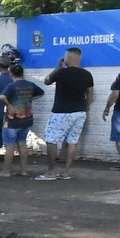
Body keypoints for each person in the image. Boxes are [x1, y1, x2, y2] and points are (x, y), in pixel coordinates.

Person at [37, 47, 93, 180]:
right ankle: (66, 172)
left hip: (61, 112)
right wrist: (86, 107)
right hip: (79, 111)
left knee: (51, 140)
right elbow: (90, 93)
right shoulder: (87, 74)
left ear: (67, 58)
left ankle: (51, 172)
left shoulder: (61, 73)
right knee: (72, 142)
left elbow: (47, 81)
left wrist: (58, 67)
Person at [0, 63, 43, 177]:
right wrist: (29, 99)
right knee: (22, 143)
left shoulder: (12, 86)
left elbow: (2, 96)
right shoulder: (30, 85)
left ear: (11, 74)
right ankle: (24, 170)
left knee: (9, 145)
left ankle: (6, 171)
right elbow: (41, 93)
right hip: (26, 119)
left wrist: (9, 105)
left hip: (12, 121)